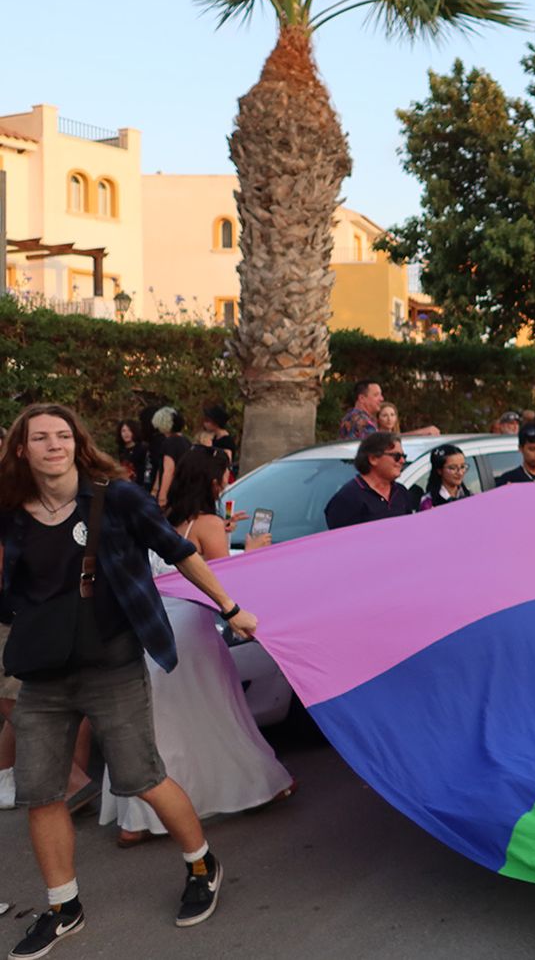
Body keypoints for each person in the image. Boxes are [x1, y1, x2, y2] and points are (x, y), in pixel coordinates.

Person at [1, 404, 258, 951]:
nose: (53, 445)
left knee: (142, 777)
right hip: (44, 673)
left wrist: (230, 607)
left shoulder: (115, 498)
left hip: (113, 662)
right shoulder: (11, 512)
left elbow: (179, 552)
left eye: (63, 435)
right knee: (41, 793)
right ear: (21, 449)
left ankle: (200, 865)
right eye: (40, 437)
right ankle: (63, 905)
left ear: (77, 442)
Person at [105, 447, 289, 848]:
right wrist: (251, 552)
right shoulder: (206, 523)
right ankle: (254, 785)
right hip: (191, 626)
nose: (226, 481)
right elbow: (221, 579)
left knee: (158, 720)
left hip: (153, 627)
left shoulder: (165, 517)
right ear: (213, 481)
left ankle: (137, 817)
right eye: (223, 475)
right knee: (214, 710)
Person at [323, 432, 417, 530]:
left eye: (404, 456)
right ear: (373, 459)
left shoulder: (401, 492)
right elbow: (341, 540)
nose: (402, 461)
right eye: (396, 456)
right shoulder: (348, 497)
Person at [149, 407, 191, 511]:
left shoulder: (169, 443)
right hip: (184, 490)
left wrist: (162, 495)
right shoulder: (186, 442)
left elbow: (168, 470)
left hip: (172, 492)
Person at [418, 445, 473, 510]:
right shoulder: (428, 503)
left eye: (462, 467)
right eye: (453, 468)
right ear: (439, 470)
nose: (460, 473)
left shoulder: (470, 496)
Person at [199, 406, 237, 477]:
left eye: (207, 421)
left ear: (216, 423)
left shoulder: (227, 442)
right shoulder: (215, 438)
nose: (205, 423)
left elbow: (226, 463)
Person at [376, 401, 440, 439]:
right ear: (377, 418)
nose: (389, 419)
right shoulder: (374, 437)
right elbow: (390, 439)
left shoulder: (396, 437)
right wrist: (422, 432)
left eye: (392, 415)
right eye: (385, 415)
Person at [114, 419, 145, 485]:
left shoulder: (142, 448)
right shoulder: (121, 449)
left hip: (139, 485)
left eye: (129, 430)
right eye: (123, 431)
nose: (126, 433)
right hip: (125, 483)